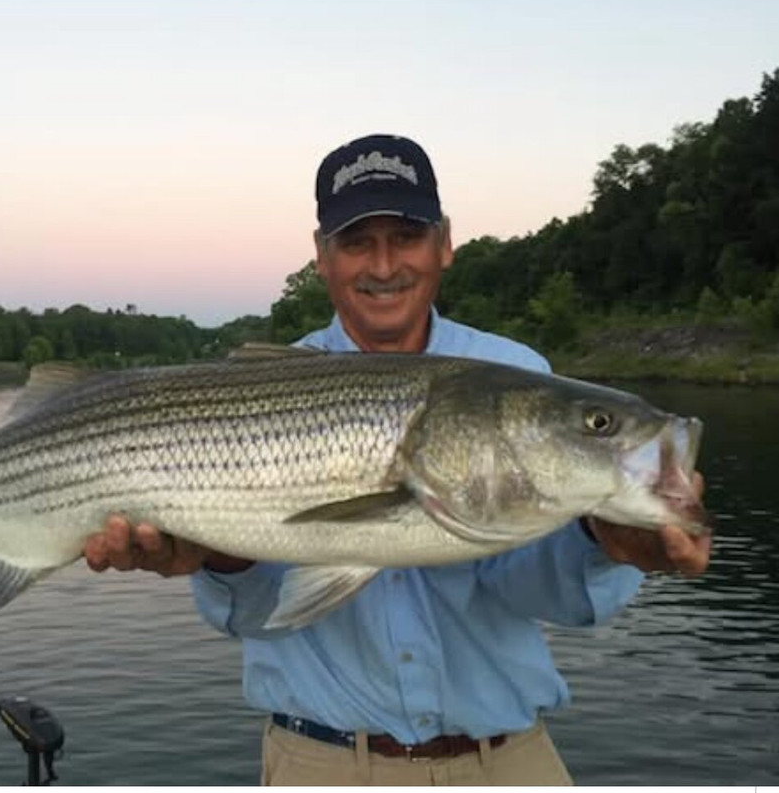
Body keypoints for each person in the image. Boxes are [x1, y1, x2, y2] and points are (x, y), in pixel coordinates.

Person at [84, 134, 712, 785]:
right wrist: (221, 557)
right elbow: (254, 619)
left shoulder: (516, 372)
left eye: (406, 236)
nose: (384, 266)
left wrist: (605, 542)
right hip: (320, 764)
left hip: (507, 761)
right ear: (322, 255)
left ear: (444, 242)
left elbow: (542, 590)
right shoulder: (259, 388)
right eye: (357, 242)